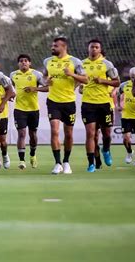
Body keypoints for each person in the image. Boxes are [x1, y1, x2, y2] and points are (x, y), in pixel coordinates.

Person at [43, 37, 88, 174]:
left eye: (55, 46)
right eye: (52, 46)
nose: (52, 48)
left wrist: (71, 74)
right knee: (54, 130)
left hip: (68, 102)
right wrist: (47, 81)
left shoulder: (75, 61)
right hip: (53, 101)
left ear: (63, 47)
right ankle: (57, 163)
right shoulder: (47, 61)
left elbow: (85, 79)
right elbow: (45, 77)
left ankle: (66, 161)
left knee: (68, 133)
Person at [80, 39, 120, 172]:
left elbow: (117, 82)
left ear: (100, 49)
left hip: (104, 104)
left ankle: (106, 149)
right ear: (88, 49)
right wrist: (80, 87)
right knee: (91, 134)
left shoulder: (107, 64)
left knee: (106, 133)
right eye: (92, 47)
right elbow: (79, 81)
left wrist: (102, 80)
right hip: (88, 104)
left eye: (96, 47)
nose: (94, 49)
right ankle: (92, 162)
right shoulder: (82, 64)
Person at [11, 54, 47, 170]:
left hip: (33, 109)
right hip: (19, 109)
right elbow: (10, 89)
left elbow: (47, 87)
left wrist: (34, 89)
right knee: (21, 134)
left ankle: (32, 155)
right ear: (18, 63)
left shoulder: (36, 74)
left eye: (26, 61)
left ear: (29, 63)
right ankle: (22, 160)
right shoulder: (13, 75)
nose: (23, 63)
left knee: (33, 134)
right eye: (21, 61)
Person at [117, 67, 135, 168]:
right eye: (131, 77)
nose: (133, 79)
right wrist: (119, 105)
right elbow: (118, 94)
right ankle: (129, 152)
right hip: (126, 116)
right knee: (126, 139)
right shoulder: (124, 85)